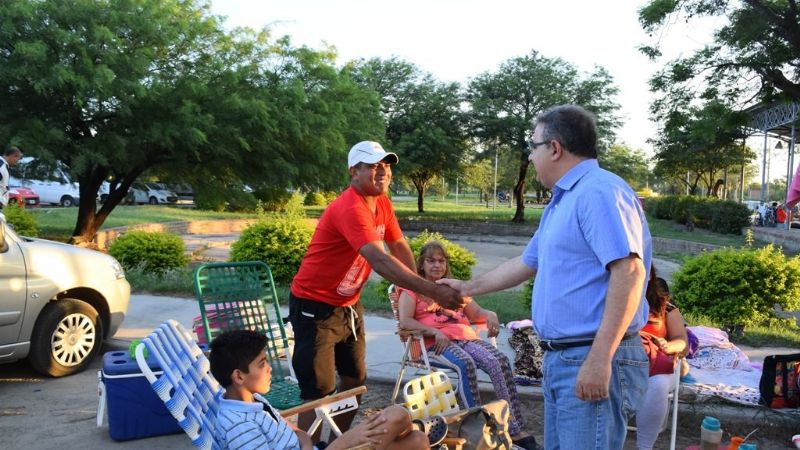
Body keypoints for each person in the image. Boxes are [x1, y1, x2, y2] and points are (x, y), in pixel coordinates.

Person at [438, 105, 651, 450]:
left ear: (555, 148)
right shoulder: (564, 200)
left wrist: (599, 358)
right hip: (564, 358)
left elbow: (629, 272)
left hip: (590, 356)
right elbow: (528, 261)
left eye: (533, 147)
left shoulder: (599, 192)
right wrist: (468, 288)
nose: (531, 156)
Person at [289, 140, 464, 433]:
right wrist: (433, 290)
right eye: (372, 165)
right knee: (317, 391)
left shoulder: (381, 202)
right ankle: (311, 445)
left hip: (348, 306)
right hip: (314, 307)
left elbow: (397, 244)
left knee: (355, 382)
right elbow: (380, 261)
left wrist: (422, 289)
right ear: (353, 172)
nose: (382, 171)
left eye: (385, 165)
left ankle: (340, 442)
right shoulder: (350, 208)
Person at [397, 241, 541, 450]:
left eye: (441, 261)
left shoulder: (453, 288)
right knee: (466, 364)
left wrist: (489, 314)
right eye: (431, 261)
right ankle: (476, 427)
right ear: (421, 265)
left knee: (499, 361)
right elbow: (405, 321)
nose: (437, 265)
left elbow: (476, 313)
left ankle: (514, 428)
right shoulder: (412, 289)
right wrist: (435, 331)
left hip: (466, 338)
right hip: (433, 345)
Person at [209, 329, 427, 450]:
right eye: (261, 364)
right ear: (238, 376)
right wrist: (344, 442)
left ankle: (410, 430)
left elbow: (295, 432)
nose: (269, 370)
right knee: (399, 417)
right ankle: (410, 428)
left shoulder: (253, 400)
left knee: (418, 441)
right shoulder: (239, 426)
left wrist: (305, 442)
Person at [635, 268, 688, 450]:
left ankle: (645, 447)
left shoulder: (667, 307)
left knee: (657, 384)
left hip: (659, 364)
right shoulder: (617, 297)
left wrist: (667, 346)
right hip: (629, 362)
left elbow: (682, 342)